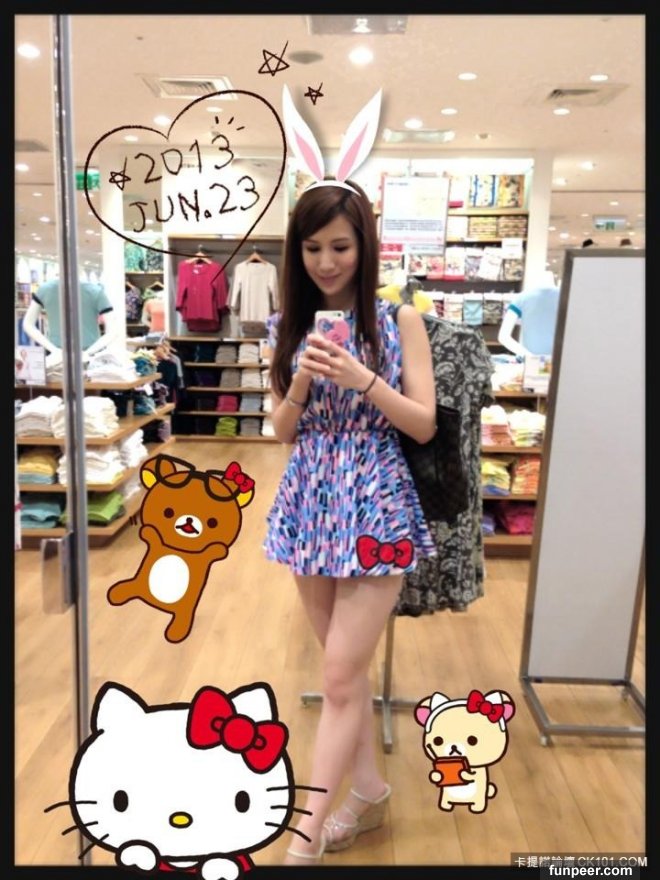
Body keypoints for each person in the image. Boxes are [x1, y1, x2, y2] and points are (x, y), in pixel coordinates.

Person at [264, 179, 437, 864]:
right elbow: (280, 431)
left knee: (338, 677)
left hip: (375, 499)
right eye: (312, 248)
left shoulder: (401, 321)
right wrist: (304, 380)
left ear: (366, 245)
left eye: (340, 246)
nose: (326, 262)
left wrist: (364, 378)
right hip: (310, 500)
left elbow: (422, 424)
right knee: (345, 674)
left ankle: (302, 842)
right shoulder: (287, 325)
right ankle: (366, 790)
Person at [497, 270, 560, 358]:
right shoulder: (567, 298)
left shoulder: (521, 298)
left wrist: (528, 356)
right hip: (558, 361)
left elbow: (503, 337)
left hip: (530, 361)